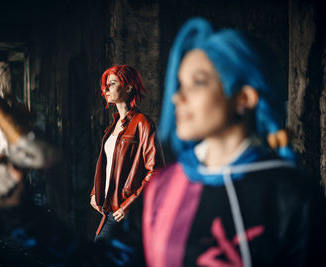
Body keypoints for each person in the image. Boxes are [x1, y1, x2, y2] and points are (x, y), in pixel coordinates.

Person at [142, 17, 326, 267]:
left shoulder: (292, 194)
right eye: (180, 84)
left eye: (198, 82)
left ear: (244, 98)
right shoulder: (163, 187)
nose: (177, 97)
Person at [90, 64, 165, 243]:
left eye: (112, 83)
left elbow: (156, 171)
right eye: (105, 84)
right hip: (109, 207)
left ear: (128, 87)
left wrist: (129, 205)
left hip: (124, 211)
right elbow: (109, 165)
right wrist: (95, 192)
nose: (106, 88)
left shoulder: (143, 124)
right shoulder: (113, 126)